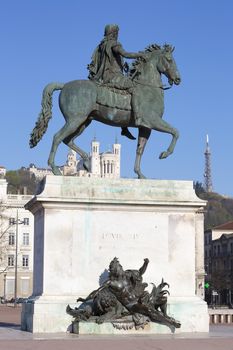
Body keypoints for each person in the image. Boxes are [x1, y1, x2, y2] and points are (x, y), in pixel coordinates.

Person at [88, 24, 145, 140]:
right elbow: (126, 54)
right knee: (135, 89)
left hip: (105, 75)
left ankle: (124, 127)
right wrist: (141, 55)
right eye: (117, 33)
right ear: (114, 33)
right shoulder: (114, 44)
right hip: (113, 76)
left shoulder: (102, 45)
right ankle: (138, 118)